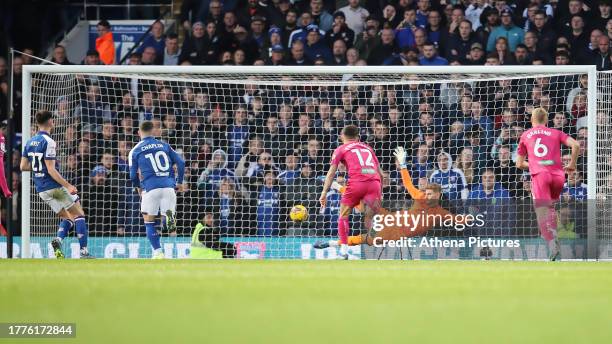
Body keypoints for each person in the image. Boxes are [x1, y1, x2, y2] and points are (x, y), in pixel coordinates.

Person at [20, 111, 92, 258]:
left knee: (68, 218)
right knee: (79, 214)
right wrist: (68, 185)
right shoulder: (49, 142)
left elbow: (23, 166)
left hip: (41, 189)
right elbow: (52, 170)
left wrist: (39, 168)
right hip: (54, 186)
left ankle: (58, 240)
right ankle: (84, 252)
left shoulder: (29, 142)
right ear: (51, 122)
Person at [516, 108, 580, 261]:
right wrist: (572, 164)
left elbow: (519, 164)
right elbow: (576, 145)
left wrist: (535, 164)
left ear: (532, 120)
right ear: (546, 120)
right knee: (550, 207)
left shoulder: (525, 135)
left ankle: (552, 241)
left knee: (541, 211)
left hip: (540, 176)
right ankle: (553, 234)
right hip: (558, 176)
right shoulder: (556, 132)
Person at [316, 125, 384, 259]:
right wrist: (379, 192)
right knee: (369, 218)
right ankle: (376, 242)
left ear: (342, 136)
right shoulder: (368, 148)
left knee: (344, 215)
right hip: (374, 183)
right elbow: (380, 173)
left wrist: (324, 192)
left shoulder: (341, 148)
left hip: (357, 183)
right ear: (358, 137)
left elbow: (331, 173)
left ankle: (343, 251)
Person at [129, 121, 186, 259]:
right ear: (153, 131)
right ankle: (172, 233)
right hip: (168, 187)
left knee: (149, 221)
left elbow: (132, 175)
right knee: (170, 219)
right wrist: (179, 182)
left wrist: (138, 187)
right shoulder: (164, 145)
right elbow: (181, 162)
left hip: (150, 189)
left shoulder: (135, 150)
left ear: (138, 132)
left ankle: (158, 251)